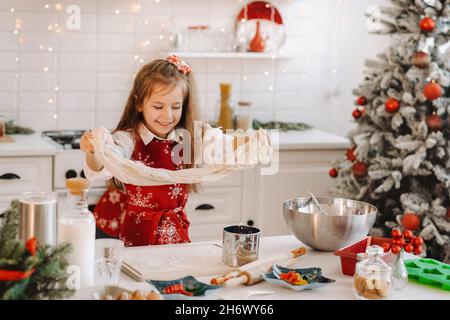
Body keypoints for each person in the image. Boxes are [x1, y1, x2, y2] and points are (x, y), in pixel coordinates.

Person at [81, 55, 267, 247]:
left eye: (176, 107)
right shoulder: (127, 139)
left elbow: (222, 148)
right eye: (158, 106)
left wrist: (251, 141)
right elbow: (103, 165)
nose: (167, 115)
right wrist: (93, 151)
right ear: (139, 103)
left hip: (177, 234)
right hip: (138, 237)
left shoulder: (189, 137)